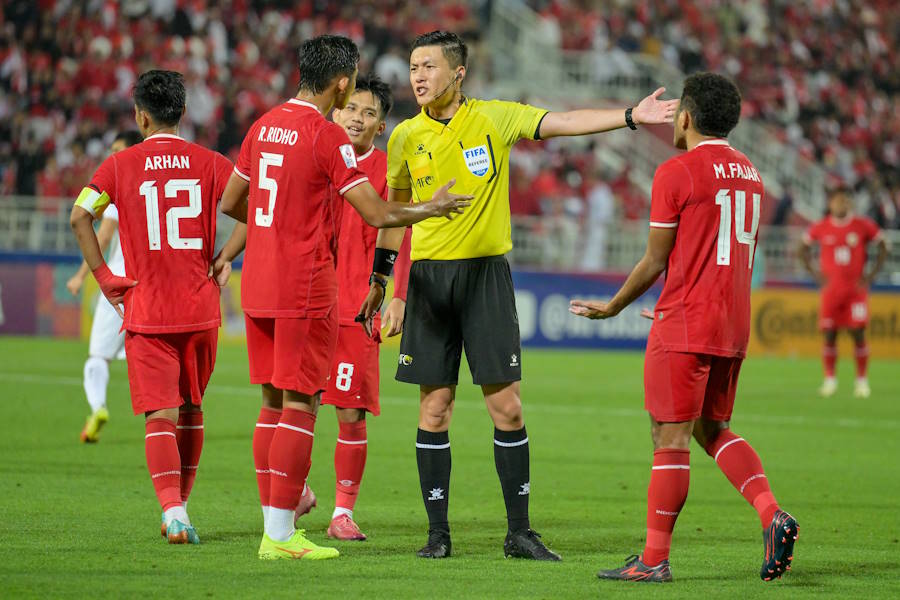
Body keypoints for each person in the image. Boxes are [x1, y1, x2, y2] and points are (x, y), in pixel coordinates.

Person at [357, 30, 678, 561]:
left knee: (506, 407)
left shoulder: (494, 118)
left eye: (429, 66)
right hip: (432, 282)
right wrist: (383, 281)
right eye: (413, 66)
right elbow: (394, 215)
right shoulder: (404, 137)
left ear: (457, 73)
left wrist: (629, 116)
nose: (417, 76)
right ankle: (437, 534)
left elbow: (563, 122)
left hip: (487, 278)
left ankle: (519, 533)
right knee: (434, 409)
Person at [214, 34, 470, 561]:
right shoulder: (324, 135)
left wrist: (277, 223)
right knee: (303, 404)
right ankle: (282, 537)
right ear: (340, 82)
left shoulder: (263, 126)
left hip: (257, 286)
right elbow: (377, 213)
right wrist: (430, 208)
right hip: (304, 288)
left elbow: (232, 201)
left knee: (269, 403)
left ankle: (274, 525)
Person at [570, 72, 798, 583]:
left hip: (687, 323)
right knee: (711, 428)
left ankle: (653, 560)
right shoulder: (752, 175)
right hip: (732, 324)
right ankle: (770, 513)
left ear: (687, 116)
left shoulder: (677, 171)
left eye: (677, 113)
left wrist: (614, 307)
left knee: (668, 436)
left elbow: (655, 261)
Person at [70, 70, 236, 545]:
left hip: (147, 308)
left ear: (141, 116)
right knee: (193, 410)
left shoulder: (120, 166)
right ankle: (179, 507)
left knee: (159, 415)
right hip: (202, 308)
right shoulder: (210, 162)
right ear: (183, 113)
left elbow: (80, 216)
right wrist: (225, 257)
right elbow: (253, 210)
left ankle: (174, 511)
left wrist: (103, 278)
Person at [298, 73, 413, 541]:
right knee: (296, 405)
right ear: (337, 110)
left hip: (355, 310)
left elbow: (402, 237)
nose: (358, 119)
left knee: (350, 413)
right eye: (353, 110)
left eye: (370, 114)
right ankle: (297, 490)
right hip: (308, 306)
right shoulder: (315, 158)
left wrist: (398, 293)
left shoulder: (389, 173)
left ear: (380, 126)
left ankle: (342, 512)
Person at [66, 130, 143, 443]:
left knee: (98, 356)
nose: (112, 154)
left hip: (120, 283)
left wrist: (81, 276)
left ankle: (97, 407)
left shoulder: (120, 183)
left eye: (117, 149)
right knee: (152, 353)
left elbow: (104, 235)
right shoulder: (153, 183)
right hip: (152, 282)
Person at [799, 187, 888, 398]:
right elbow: (801, 248)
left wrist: (871, 275)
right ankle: (830, 380)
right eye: (838, 201)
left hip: (855, 292)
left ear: (850, 203)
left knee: (858, 333)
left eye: (845, 201)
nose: (842, 204)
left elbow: (884, 245)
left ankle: (862, 381)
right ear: (831, 204)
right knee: (830, 335)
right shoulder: (821, 227)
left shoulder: (862, 225)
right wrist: (815, 273)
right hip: (831, 293)